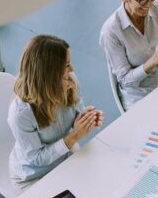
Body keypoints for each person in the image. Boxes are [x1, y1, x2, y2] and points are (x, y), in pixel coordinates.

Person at [8, 35, 104, 189]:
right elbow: (37, 158)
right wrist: (74, 136)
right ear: (49, 73)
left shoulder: (69, 80)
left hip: (65, 157)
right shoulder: (21, 114)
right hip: (34, 176)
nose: (71, 69)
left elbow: (75, 115)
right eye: (66, 65)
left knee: (99, 185)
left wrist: (87, 118)